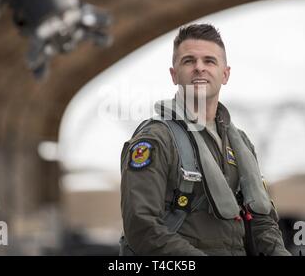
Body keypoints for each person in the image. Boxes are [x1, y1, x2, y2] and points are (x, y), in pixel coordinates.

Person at [120, 23, 290, 256]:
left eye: (209, 61)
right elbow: (142, 228)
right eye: (188, 61)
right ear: (174, 74)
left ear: (225, 74)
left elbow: (261, 222)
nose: (199, 68)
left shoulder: (240, 144)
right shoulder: (156, 140)